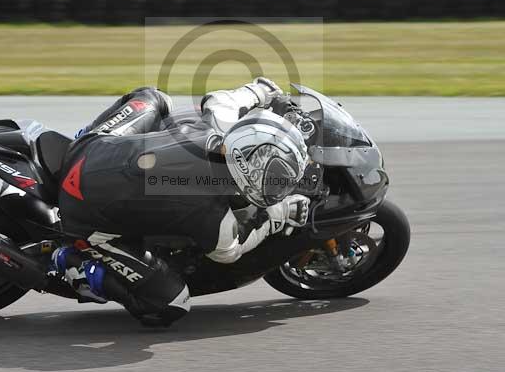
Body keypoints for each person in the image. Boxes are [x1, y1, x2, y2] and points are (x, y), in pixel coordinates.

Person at [52, 78, 311, 326]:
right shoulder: (209, 212)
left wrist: (260, 90)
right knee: (170, 305)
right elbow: (230, 251)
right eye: (276, 179)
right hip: (84, 219)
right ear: (250, 172)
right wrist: (279, 214)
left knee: (155, 98)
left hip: (87, 148)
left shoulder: (220, 126)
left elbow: (222, 99)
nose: (280, 186)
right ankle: (76, 265)